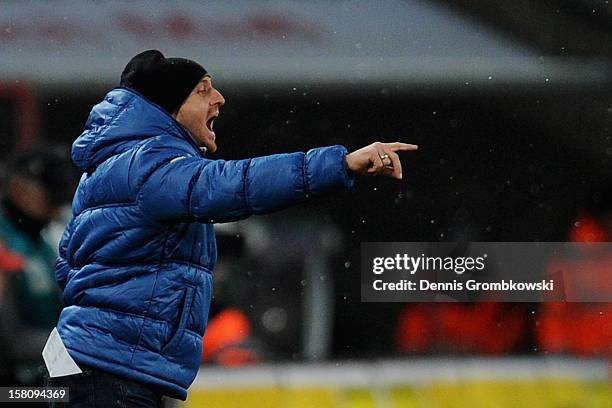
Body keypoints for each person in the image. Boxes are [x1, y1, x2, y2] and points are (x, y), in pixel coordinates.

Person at [47, 49, 418, 407]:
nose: (220, 99)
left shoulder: (114, 166)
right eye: (203, 90)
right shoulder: (152, 164)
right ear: (169, 109)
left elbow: (68, 265)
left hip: (98, 364)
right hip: (108, 370)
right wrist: (341, 163)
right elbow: (235, 184)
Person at [0, 150, 67, 387]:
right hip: (11, 389)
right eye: (50, 199)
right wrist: (75, 345)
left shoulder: (42, 244)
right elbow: (9, 341)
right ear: (19, 188)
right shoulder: (4, 243)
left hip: (42, 375)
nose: (56, 210)